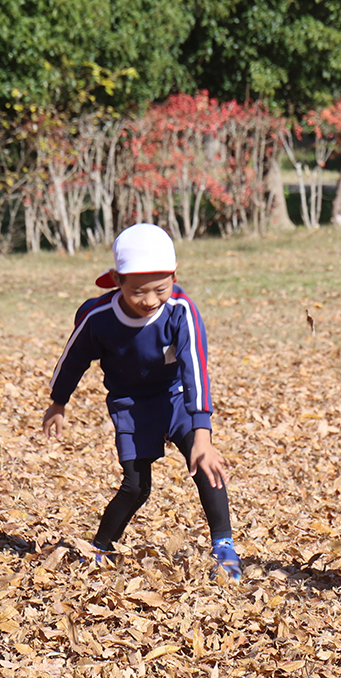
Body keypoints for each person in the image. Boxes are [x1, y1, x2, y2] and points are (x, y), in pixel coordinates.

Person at [42, 223, 243, 580]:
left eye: (160, 289)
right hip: (130, 404)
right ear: (118, 280)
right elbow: (72, 358)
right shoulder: (98, 317)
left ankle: (224, 547)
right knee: (136, 486)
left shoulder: (181, 311)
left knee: (206, 467)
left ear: (174, 277)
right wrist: (58, 401)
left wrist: (202, 434)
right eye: (138, 291)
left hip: (176, 398)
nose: (149, 300)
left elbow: (195, 370)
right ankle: (101, 548)